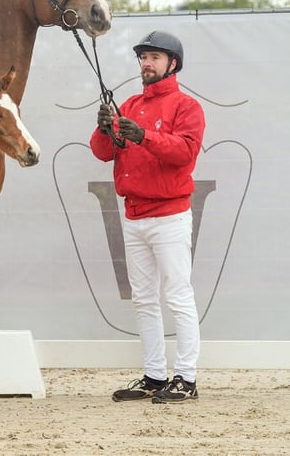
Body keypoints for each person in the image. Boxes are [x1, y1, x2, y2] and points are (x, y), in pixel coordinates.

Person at [90, 30, 205, 404]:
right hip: (134, 215)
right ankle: (155, 375)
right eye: (143, 57)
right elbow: (103, 152)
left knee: (177, 295)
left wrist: (142, 136)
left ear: (172, 64)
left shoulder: (186, 107)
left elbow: (184, 154)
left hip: (170, 215)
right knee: (143, 299)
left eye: (154, 57)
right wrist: (104, 126)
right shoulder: (131, 103)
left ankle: (186, 377)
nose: (146, 63)